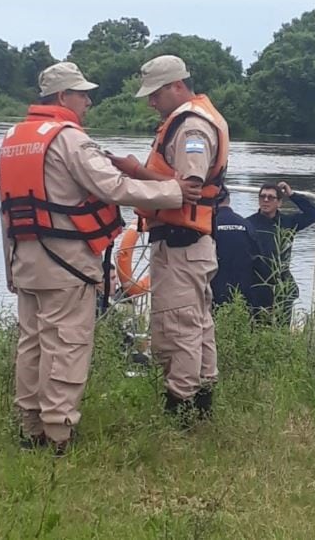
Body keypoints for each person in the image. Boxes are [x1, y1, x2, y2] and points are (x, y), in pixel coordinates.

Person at [0, 61, 202, 454]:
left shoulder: (13, 138)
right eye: (82, 94)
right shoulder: (68, 139)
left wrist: (8, 263)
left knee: (33, 344)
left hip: (25, 261)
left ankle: (29, 428)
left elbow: (7, 210)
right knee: (67, 344)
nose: (89, 101)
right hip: (67, 263)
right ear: (62, 97)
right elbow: (112, 187)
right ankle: (58, 436)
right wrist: (175, 193)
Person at [108, 55, 229, 424]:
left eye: (155, 94)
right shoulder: (187, 121)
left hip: (182, 242)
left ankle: (181, 410)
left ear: (177, 86)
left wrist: (133, 173)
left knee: (178, 326)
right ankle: (202, 403)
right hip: (187, 242)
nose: (150, 103)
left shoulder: (192, 128)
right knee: (196, 322)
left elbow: (188, 190)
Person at [245, 181, 315, 326]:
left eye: (271, 197)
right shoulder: (249, 224)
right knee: (256, 326)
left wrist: (292, 195)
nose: (265, 200)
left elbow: (314, 214)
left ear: (279, 202)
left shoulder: (288, 222)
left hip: (282, 284)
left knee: (281, 327)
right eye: (262, 197)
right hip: (257, 284)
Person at [211, 187, 254, 306]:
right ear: (229, 200)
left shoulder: (209, 224)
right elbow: (257, 255)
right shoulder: (245, 224)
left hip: (216, 285)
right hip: (243, 286)